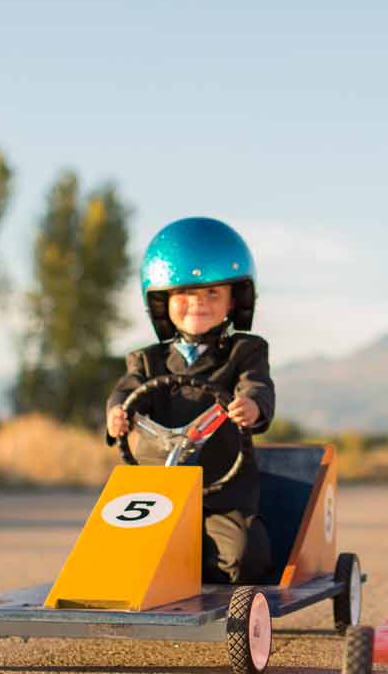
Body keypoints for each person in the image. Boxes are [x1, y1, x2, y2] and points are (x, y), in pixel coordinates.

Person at [105, 217, 274, 584]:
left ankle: (193, 571)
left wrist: (252, 406)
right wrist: (116, 413)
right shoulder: (147, 360)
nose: (198, 303)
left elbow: (257, 386)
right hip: (156, 492)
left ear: (235, 301)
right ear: (162, 301)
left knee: (242, 557)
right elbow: (125, 390)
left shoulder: (246, 352)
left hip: (222, 493)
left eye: (213, 293)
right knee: (113, 550)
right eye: (185, 294)